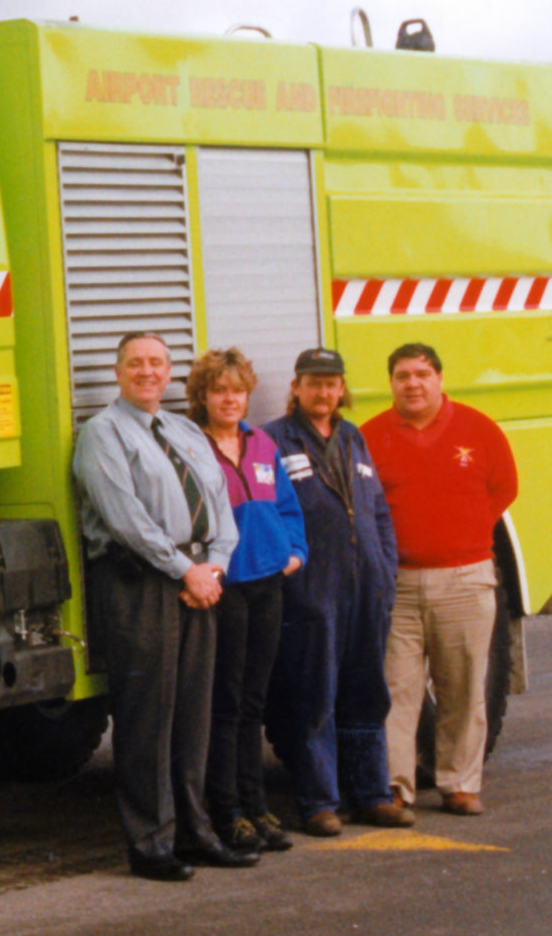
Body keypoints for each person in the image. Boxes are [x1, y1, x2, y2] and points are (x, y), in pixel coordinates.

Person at [73, 331, 250, 882]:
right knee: (149, 717)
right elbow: (125, 518)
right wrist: (184, 570)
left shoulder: (184, 430)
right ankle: (151, 844)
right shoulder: (102, 433)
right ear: (118, 372)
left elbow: (220, 505)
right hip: (142, 583)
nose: (147, 372)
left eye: (156, 362)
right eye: (135, 363)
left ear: (169, 372)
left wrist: (214, 566)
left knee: (193, 716)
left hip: (198, 579)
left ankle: (196, 834)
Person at [362, 343, 518, 816]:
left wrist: (462, 537)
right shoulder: (370, 436)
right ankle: (394, 787)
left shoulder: (479, 429)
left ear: (440, 378)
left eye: (422, 374)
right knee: (395, 690)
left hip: (465, 581)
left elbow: (504, 488)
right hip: (398, 586)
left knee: (463, 687)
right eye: (403, 375)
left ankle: (460, 785)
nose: (413, 383)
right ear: (391, 383)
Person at [263, 348, 409, 835]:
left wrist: (384, 569)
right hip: (311, 589)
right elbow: (268, 515)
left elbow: (378, 510)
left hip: (365, 588)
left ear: (341, 389)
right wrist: (291, 575)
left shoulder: (352, 436)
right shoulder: (273, 440)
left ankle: (372, 794)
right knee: (314, 697)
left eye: (331, 383)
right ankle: (319, 802)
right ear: (296, 387)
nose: (323, 392)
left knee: (367, 693)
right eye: (313, 383)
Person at [186, 348, 308, 855]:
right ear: (202, 397)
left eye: (237, 390)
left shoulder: (261, 444)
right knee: (227, 702)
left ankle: (256, 807)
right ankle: (228, 812)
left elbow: (287, 507)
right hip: (227, 588)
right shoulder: (192, 449)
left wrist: (293, 554)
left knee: (254, 702)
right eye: (219, 391)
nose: (229, 399)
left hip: (267, 583)